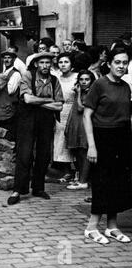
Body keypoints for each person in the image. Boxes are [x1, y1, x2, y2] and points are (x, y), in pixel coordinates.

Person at [83, 48, 132, 245]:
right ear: (109, 63)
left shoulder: (126, 87)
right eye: (117, 62)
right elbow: (87, 115)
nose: (121, 66)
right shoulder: (99, 84)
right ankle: (91, 227)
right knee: (102, 182)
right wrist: (92, 146)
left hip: (123, 137)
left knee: (119, 183)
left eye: (125, 62)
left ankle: (112, 226)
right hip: (102, 137)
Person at [7, 52, 64, 206]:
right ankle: (18, 190)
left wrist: (37, 102)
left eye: (48, 63)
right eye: (42, 63)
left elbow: (59, 105)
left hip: (46, 121)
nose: (45, 66)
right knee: (24, 154)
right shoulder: (28, 76)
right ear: (36, 64)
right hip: (27, 119)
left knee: (43, 154)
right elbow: (27, 99)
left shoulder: (54, 80)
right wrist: (47, 100)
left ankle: (38, 188)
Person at [65, 70, 95, 190]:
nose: (83, 82)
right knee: (79, 152)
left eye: (87, 79)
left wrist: (77, 94)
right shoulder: (82, 90)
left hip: (85, 125)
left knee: (84, 151)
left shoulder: (91, 92)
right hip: (77, 124)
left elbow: (81, 108)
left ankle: (83, 181)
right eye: (81, 79)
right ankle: (82, 179)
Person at [52, 53, 77, 183]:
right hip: (60, 112)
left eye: (66, 62)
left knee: (75, 139)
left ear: (71, 64)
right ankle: (67, 171)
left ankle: (78, 171)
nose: (63, 65)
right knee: (61, 141)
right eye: (61, 62)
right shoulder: (56, 78)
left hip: (75, 111)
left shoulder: (77, 77)